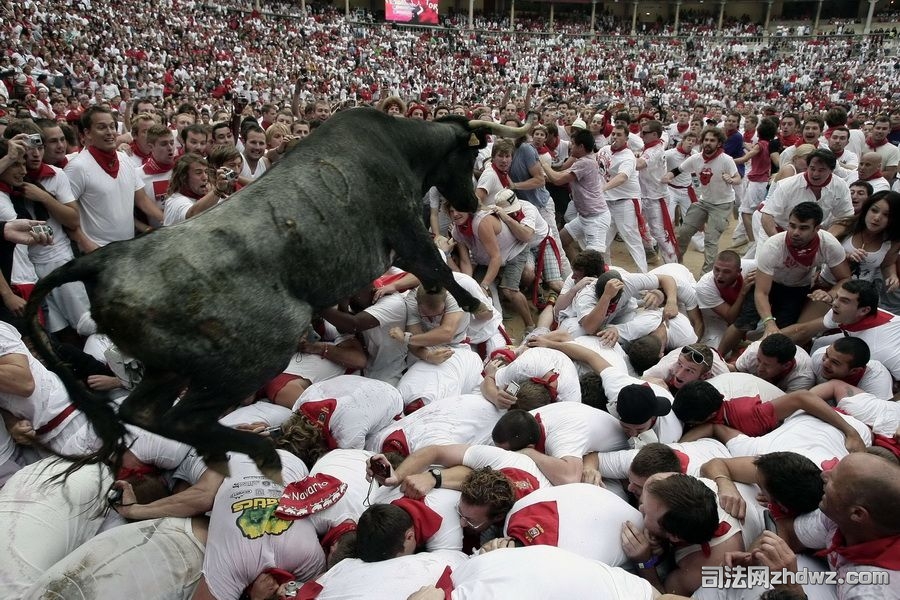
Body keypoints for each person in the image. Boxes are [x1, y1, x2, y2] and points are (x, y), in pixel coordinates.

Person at [738, 202, 850, 340]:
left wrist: (831, 294)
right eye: (792, 226)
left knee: (783, 331)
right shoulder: (773, 245)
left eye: (803, 228)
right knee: (741, 325)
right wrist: (769, 322)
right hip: (771, 282)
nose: (795, 232)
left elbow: (845, 278)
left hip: (797, 288)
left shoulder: (829, 244)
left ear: (817, 228)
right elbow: (761, 292)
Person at [64, 106, 163, 250]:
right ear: (87, 133)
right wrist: (86, 244)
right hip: (97, 253)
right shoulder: (77, 168)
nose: (110, 132)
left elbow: (142, 200)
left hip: (127, 248)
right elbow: (67, 217)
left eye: (112, 126)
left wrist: (167, 220)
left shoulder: (125, 160)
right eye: (102, 127)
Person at [665, 127, 740, 273]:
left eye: (712, 140)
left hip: (722, 204)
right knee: (684, 231)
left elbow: (738, 178)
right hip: (704, 202)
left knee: (711, 240)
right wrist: (668, 176)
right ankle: (676, 266)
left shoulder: (726, 160)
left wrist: (731, 179)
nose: (708, 143)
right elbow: (678, 170)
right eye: (706, 140)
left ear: (719, 143)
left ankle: (706, 275)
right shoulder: (696, 158)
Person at [541, 128, 609, 264]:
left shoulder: (585, 162)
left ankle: (599, 282)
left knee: (595, 260)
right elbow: (560, 175)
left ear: (581, 146)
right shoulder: (584, 161)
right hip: (585, 216)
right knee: (563, 240)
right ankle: (577, 271)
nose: (571, 146)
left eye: (573, 143)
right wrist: (541, 176)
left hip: (595, 219)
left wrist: (543, 163)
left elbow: (557, 180)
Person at [597, 124, 647, 272]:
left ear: (626, 138)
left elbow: (622, 177)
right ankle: (605, 272)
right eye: (613, 134)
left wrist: (602, 189)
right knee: (602, 241)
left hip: (626, 201)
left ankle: (643, 277)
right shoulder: (604, 150)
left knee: (632, 240)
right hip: (607, 202)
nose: (615, 137)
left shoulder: (628, 156)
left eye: (619, 135)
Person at [637, 119, 679, 263]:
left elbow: (640, 164)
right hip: (646, 195)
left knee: (660, 233)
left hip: (655, 198)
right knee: (638, 226)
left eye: (644, 133)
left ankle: (673, 264)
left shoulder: (653, 151)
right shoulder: (657, 143)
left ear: (654, 134)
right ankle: (650, 252)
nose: (641, 135)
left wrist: (625, 158)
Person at [810, 337, 893, 400]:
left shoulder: (877, 386)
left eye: (835, 362)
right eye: (827, 355)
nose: (825, 363)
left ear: (854, 371)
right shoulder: (818, 357)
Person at [731, 334, 815, 393]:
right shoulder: (753, 351)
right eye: (759, 360)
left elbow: (786, 407)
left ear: (786, 365)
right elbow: (735, 371)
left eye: (766, 365)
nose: (760, 368)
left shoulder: (803, 377)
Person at [162, 153, 230, 226]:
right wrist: (218, 190)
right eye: (198, 173)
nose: (205, 177)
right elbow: (193, 214)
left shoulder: (208, 195)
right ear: (183, 178)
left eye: (206, 172)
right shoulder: (175, 202)